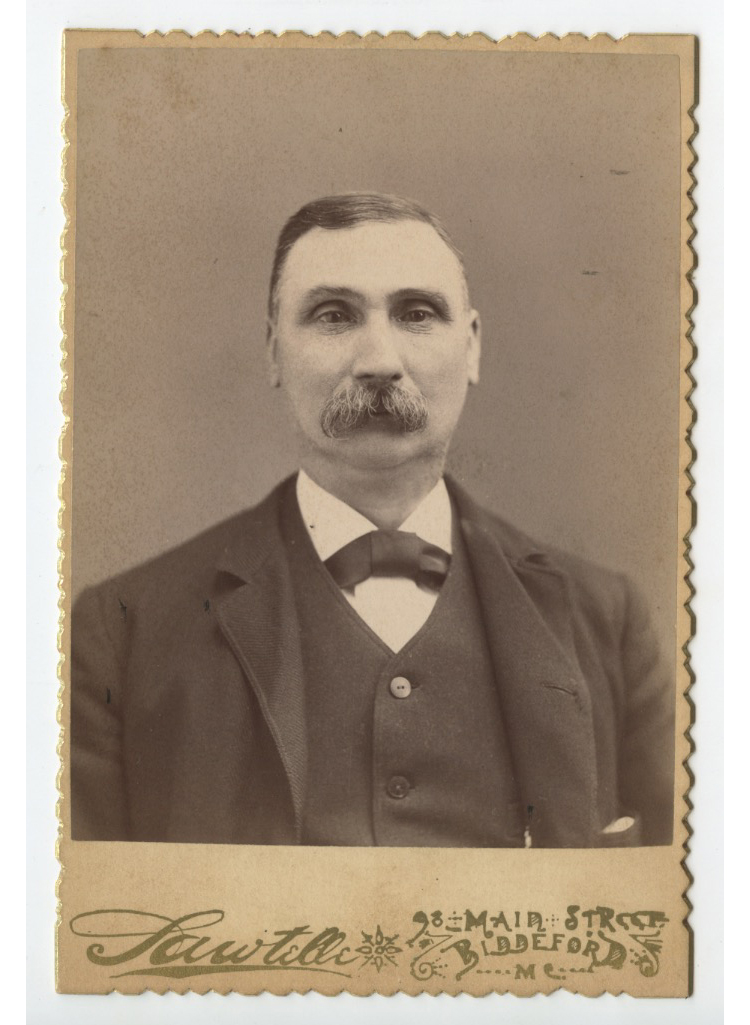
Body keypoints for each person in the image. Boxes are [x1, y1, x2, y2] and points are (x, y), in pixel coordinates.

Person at [70, 192, 674, 848]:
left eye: (416, 314)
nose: (379, 361)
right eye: (334, 315)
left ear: (471, 347)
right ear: (274, 351)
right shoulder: (122, 634)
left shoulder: (607, 622)